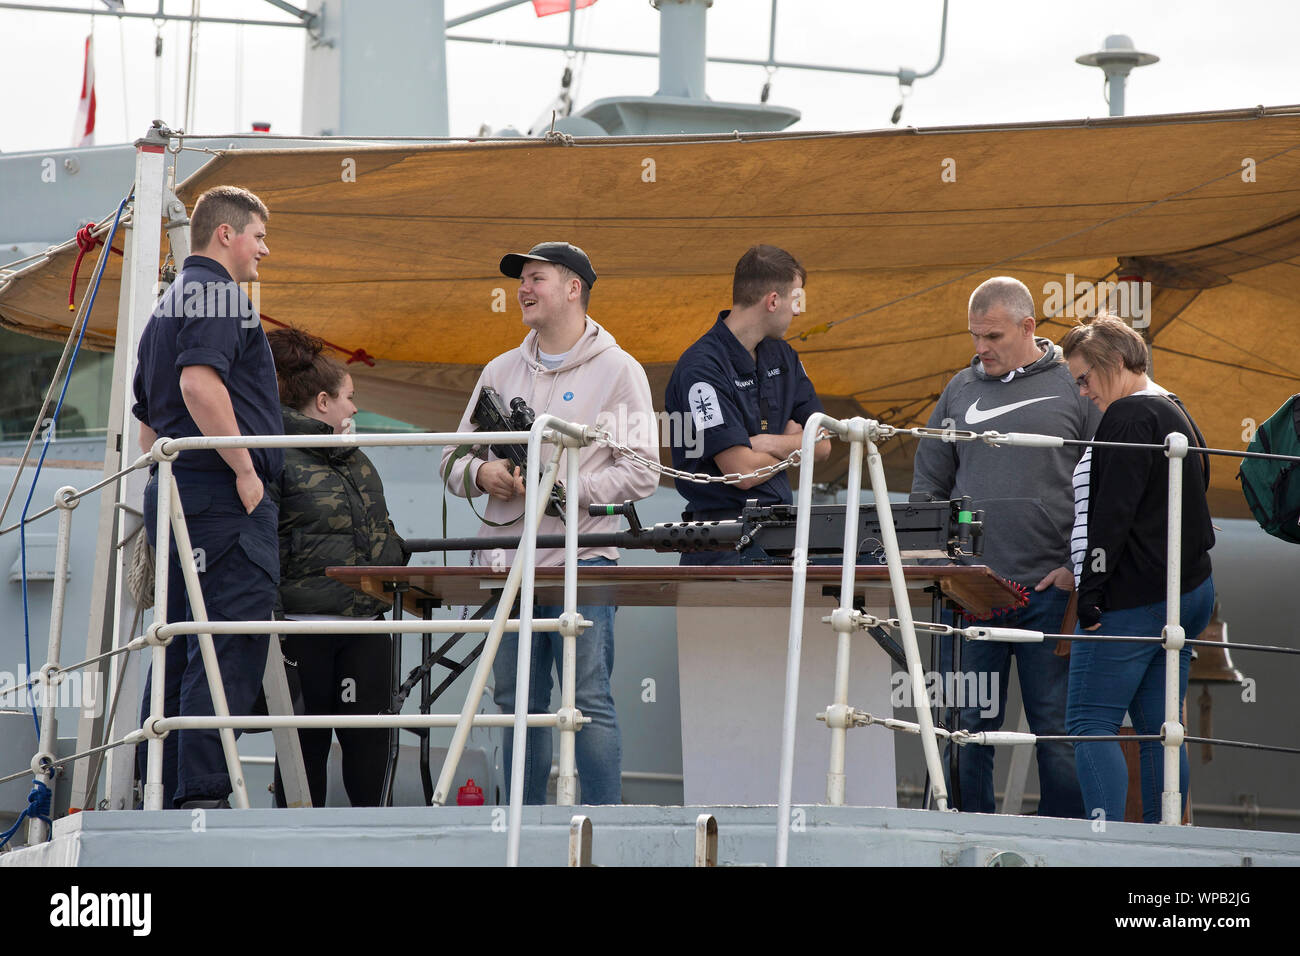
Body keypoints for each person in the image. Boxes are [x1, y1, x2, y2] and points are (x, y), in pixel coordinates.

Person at [440, 241, 658, 805]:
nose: (524, 289)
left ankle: (605, 827)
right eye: (522, 280)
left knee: (588, 700)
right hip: (509, 567)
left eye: (536, 278)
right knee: (516, 703)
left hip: (582, 565)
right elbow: (450, 461)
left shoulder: (619, 370)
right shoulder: (499, 369)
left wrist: (562, 491)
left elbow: (641, 474)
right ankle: (520, 825)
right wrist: (485, 473)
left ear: (573, 289)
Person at [911, 276, 1098, 818]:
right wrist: (941, 561)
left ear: (1028, 327)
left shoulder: (1075, 385)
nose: (980, 348)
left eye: (992, 335)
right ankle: (967, 842)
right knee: (965, 734)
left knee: (1058, 734)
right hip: (972, 595)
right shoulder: (958, 389)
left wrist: (1073, 567)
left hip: (1049, 594)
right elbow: (928, 483)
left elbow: (1107, 479)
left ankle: (1064, 848)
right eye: (974, 335)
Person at [132, 185, 283, 810]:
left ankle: (156, 786)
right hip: (221, 499)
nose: (264, 251)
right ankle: (201, 796)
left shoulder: (165, 305)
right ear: (226, 234)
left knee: (179, 640)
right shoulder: (220, 293)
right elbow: (198, 384)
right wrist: (246, 469)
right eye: (257, 236)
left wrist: (161, 484)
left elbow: (149, 421)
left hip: (176, 493)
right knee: (227, 636)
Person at [1060, 316, 1215, 824]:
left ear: (1116, 364)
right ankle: (1163, 846)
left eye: (1084, 379)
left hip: (1132, 597)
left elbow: (1112, 515)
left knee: (1090, 722)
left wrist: (1093, 593)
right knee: (1160, 733)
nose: (1082, 393)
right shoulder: (1177, 411)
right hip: (1187, 589)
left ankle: (1107, 849)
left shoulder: (1126, 416)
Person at [265, 328, 410, 808]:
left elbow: (382, 533)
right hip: (302, 634)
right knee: (302, 753)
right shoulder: (274, 457)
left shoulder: (358, 461)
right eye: (350, 398)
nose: (354, 409)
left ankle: (373, 848)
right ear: (323, 402)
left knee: (371, 749)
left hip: (365, 629)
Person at [664, 245, 829, 565]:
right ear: (772, 301)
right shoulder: (701, 368)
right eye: (796, 300)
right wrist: (796, 441)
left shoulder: (783, 356)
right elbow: (741, 471)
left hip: (781, 537)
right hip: (720, 544)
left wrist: (768, 442)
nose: (798, 312)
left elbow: (823, 443)